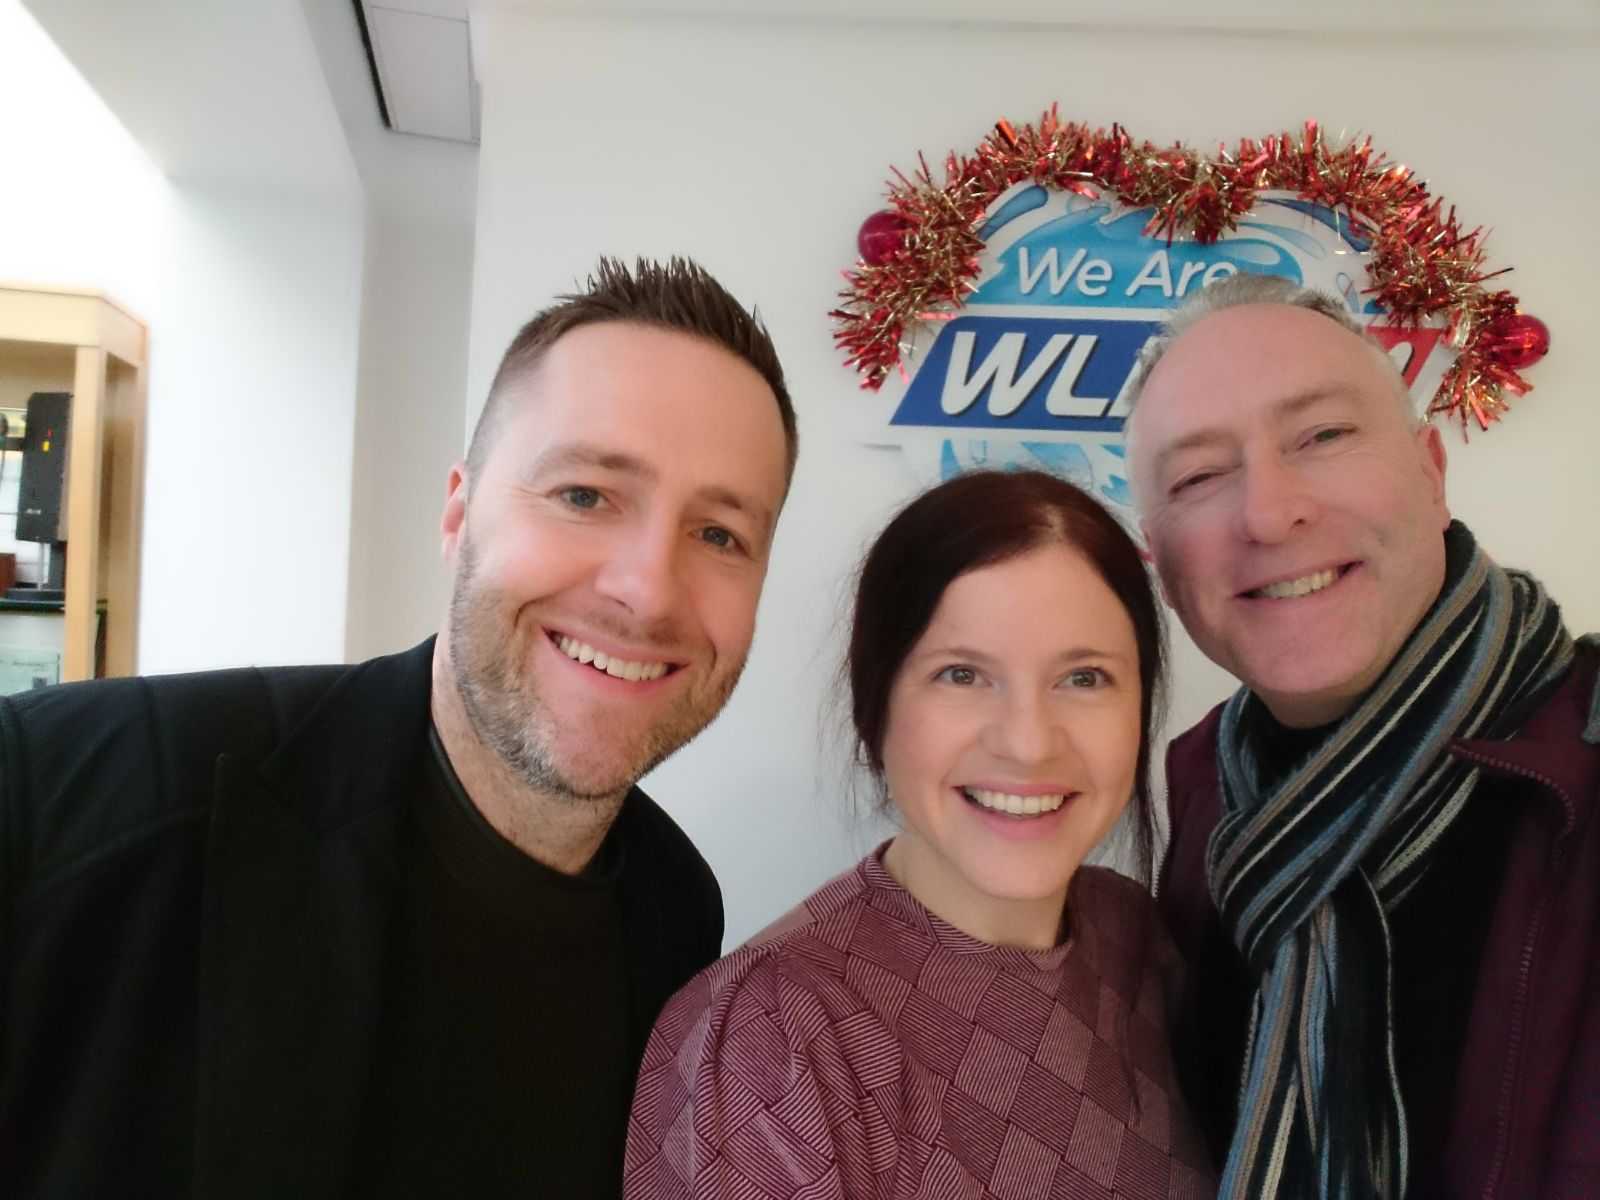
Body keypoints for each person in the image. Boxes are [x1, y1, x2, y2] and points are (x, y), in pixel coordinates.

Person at [0, 257, 799, 1199]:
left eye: (719, 535)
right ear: (458, 513)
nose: (649, 590)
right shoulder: (66, 795)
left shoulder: (679, 912)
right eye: (585, 495)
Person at [1126, 272, 1600, 1199]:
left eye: (1323, 436)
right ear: (1161, 560)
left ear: (1432, 471)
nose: (1270, 513)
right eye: (1198, 477)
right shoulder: (1205, 782)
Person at [624, 469, 1216, 1200]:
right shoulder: (771, 1034)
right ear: (875, 709)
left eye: (1085, 678)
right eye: (962, 675)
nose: (1029, 743)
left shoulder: (1134, 936)